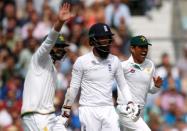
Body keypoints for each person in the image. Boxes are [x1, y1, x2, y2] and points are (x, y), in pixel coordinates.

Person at [61, 23, 139, 131]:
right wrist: (66, 110)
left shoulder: (114, 60)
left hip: (108, 109)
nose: (106, 43)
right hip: (88, 110)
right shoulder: (82, 62)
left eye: (107, 39)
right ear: (92, 41)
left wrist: (130, 102)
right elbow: (73, 88)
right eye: (102, 39)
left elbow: (123, 85)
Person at [21, 3, 73, 131]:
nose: (60, 50)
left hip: (49, 116)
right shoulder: (39, 59)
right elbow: (49, 41)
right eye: (58, 46)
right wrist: (59, 23)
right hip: (34, 115)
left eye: (62, 47)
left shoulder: (53, 69)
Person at [117, 35, 163, 131]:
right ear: (132, 49)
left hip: (141, 111)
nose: (144, 50)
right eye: (141, 47)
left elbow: (150, 89)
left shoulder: (150, 65)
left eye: (146, 47)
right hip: (126, 110)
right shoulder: (123, 66)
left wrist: (156, 86)